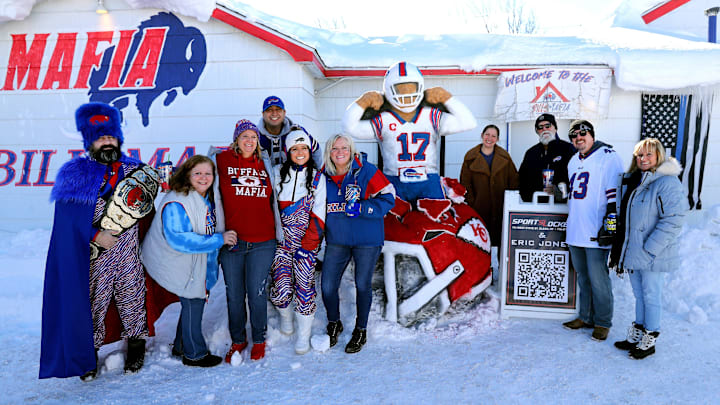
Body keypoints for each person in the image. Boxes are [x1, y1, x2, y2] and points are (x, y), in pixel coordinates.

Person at [40, 102, 159, 380]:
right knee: (93, 305)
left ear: (118, 138)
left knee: (134, 300)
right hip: (95, 256)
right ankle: (87, 356)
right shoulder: (75, 174)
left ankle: (136, 348)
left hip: (129, 253)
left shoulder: (135, 170)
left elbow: (149, 207)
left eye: (111, 136)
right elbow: (68, 222)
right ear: (89, 141)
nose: (107, 141)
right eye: (100, 137)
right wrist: (97, 236)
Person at [142, 155, 237, 368]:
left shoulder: (203, 197)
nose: (203, 178)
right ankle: (194, 354)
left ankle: (181, 346)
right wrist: (219, 239)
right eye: (198, 173)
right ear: (187, 175)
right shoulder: (178, 201)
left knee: (191, 305)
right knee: (193, 304)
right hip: (178, 263)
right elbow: (179, 238)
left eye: (208, 173)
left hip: (194, 262)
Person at [341, 61, 477, 203]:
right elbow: (349, 127)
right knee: (393, 222)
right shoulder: (384, 119)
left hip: (428, 179)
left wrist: (447, 97)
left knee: (433, 221)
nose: (406, 93)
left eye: (411, 88)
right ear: (389, 89)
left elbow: (468, 122)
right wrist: (363, 101)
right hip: (394, 180)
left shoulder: (431, 115)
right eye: (401, 89)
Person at [210, 119, 282, 362]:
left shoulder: (265, 164)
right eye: (244, 137)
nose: (250, 141)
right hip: (232, 242)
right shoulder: (221, 161)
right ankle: (238, 340)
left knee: (257, 292)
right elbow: (199, 178)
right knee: (234, 294)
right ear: (236, 140)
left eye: (253, 137)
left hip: (263, 241)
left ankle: (259, 339)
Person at [610, 138, 687, 359]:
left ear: (658, 156)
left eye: (648, 155)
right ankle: (639, 332)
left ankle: (650, 338)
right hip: (633, 250)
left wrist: (650, 248)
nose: (643, 159)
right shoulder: (635, 180)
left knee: (651, 295)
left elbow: (673, 219)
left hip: (653, 252)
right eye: (639, 155)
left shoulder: (667, 182)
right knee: (639, 295)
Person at [321, 134, 396, 353]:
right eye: (335, 149)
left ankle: (361, 329)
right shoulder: (323, 176)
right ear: (329, 152)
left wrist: (364, 208)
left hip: (367, 238)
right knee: (327, 286)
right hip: (337, 239)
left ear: (352, 150)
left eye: (344, 148)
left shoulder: (367, 170)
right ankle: (334, 323)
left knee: (362, 284)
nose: (340, 152)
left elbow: (389, 196)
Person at [562, 120, 624, 341]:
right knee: (583, 278)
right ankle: (586, 316)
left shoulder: (608, 156)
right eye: (574, 135)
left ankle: (603, 321)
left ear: (592, 134)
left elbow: (614, 197)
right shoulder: (572, 161)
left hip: (596, 230)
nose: (579, 138)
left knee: (599, 279)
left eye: (582, 133)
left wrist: (610, 227)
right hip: (575, 229)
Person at [271, 127, 327, 354]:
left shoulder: (317, 178)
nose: (300, 152)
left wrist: (308, 246)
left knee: (305, 288)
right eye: (295, 148)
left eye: (304, 147)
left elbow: (320, 213)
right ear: (288, 151)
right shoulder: (276, 173)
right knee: (281, 285)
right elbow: (269, 207)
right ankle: (285, 318)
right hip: (281, 242)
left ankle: (303, 336)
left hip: (306, 243)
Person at [460, 124, 519, 247]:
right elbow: (465, 183)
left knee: (502, 241)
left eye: (493, 136)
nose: (489, 138)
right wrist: (472, 202)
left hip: (500, 208)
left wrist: (509, 202)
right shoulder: (470, 157)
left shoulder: (505, 158)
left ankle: (501, 266)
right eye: (487, 134)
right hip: (479, 208)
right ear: (482, 135)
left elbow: (513, 181)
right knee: (480, 243)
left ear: (497, 139)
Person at [518, 113, 575, 202]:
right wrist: (528, 198)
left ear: (555, 128)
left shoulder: (568, 149)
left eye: (548, 126)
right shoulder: (531, 153)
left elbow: (577, 177)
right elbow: (522, 180)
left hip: (562, 207)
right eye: (540, 127)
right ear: (537, 131)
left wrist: (561, 192)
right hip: (536, 207)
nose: (544, 129)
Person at [257, 95, 323, 167]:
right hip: (266, 177)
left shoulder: (296, 131)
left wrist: (314, 173)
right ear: (263, 114)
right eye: (269, 110)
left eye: (278, 109)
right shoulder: (255, 135)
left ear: (284, 112)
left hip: (292, 177)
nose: (274, 113)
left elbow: (315, 149)